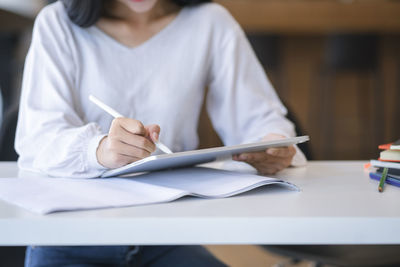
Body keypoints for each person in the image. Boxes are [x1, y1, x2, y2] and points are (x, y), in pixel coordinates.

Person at [16, 0, 306, 265]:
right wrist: (99, 150)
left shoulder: (210, 22)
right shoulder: (57, 23)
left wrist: (272, 145)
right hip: (69, 237)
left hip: (165, 234)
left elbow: (259, 117)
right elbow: (38, 139)